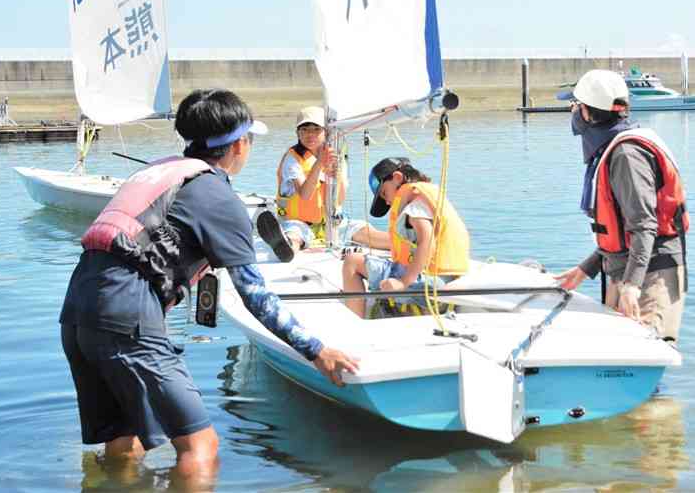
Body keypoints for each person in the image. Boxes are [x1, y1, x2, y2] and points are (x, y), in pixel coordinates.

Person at [59, 89, 359, 489]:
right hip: (126, 315)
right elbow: (255, 295)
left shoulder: (159, 172)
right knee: (200, 446)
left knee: (124, 440)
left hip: (77, 310)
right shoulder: (218, 196)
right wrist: (317, 351)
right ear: (239, 144)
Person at [554, 70, 689, 343]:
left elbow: (644, 225)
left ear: (589, 114)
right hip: (628, 271)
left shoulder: (627, 155)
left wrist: (632, 286)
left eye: (575, 106)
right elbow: (620, 226)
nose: (573, 113)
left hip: (650, 276)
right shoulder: (615, 148)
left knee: (639, 360)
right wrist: (587, 268)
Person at [256, 106, 389, 262]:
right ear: (298, 133)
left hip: (331, 223)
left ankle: (410, 242)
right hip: (300, 222)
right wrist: (319, 164)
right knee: (296, 234)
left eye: (316, 129)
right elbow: (305, 195)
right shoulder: (292, 160)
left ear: (326, 131)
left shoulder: (336, 156)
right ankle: (286, 246)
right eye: (304, 130)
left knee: (364, 231)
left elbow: (340, 198)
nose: (310, 134)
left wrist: (338, 175)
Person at [342, 157, 470, 317]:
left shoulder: (414, 207)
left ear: (397, 178)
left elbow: (427, 241)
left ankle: (355, 326)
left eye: (384, 193)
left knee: (353, 261)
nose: (387, 202)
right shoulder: (428, 197)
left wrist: (403, 282)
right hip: (448, 278)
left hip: (428, 283)